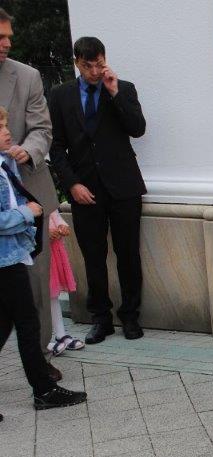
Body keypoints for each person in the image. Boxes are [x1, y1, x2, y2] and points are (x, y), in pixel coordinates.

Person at [48, 36, 147, 346]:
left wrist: (114, 92)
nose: (94, 71)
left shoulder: (123, 88)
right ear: (77, 63)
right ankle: (100, 319)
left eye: (99, 64)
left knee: (128, 254)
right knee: (93, 257)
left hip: (123, 186)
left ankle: (130, 316)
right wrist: (72, 184)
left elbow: (138, 128)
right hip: (85, 189)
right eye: (87, 66)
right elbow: (56, 146)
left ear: (105, 60)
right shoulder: (60, 95)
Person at [0, 106, 87, 419]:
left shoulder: (5, 163)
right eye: (0, 127)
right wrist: (28, 213)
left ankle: (44, 389)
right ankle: (44, 390)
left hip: (11, 256)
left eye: (5, 125)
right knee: (27, 322)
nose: (8, 132)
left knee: (7, 324)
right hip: (5, 260)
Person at [0, 9, 61, 381]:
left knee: (34, 284)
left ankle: (39, 359)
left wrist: (28, 149)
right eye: (0, 37)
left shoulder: (27, 76)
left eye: (9, 35)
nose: (8, 43)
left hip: (27, 196)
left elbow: (42, 128)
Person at [46, 211, 85, 355]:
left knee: (52, 294)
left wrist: (61, 224)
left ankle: (60, 334)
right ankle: (40, 341)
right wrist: (42, 232)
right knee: (36, 297)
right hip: (33, 249)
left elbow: (52, 211)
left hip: (50, 246)